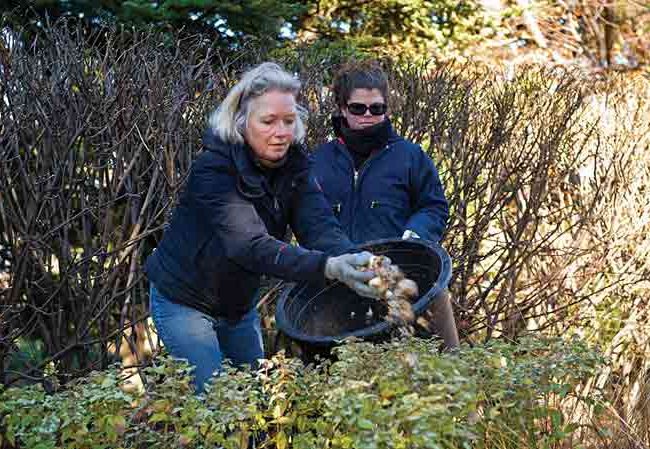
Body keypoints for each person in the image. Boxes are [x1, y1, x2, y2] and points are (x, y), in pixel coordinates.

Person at [144, 62, 379, 393]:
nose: (281, 132)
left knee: (252, 406)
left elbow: (319, 226)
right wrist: (328, 267)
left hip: (237, 307)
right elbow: (249, 245)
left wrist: (355, 260)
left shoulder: (294, 165)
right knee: (216, 407)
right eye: (268, 121)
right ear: (242, 122)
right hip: (184, 302)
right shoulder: (214, 170)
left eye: (288, 121)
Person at [310, 60, 460, 349]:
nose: (368, 116)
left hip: (404, 280)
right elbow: (309, 221)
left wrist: (414, 239)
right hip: (338, 289)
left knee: (439, 370)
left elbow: (434, 206)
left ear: (386, 109)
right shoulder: (318, 163)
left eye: (376, 108)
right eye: (358, 108)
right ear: (342, 108)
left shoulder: (410, 156)